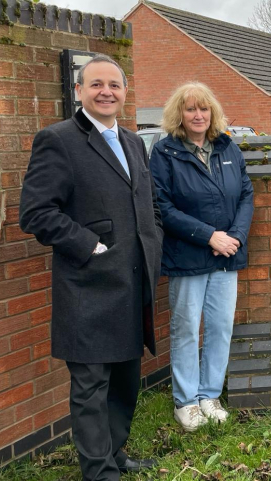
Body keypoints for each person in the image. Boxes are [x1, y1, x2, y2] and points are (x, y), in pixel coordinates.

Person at [20, 54, 163, 480]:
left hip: (131, 283)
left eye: (114, 85)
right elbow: (36, 212)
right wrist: (91, 247)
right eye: (96, 84)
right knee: (90, 387)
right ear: (80, 91)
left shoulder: (134, 141)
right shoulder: (58, 139)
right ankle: (99, 472)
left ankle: (116, 455)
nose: (106, 92)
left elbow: (147, 204)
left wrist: (151, 241)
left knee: (124, 381)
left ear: (124, 92)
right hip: (88, 286)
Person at [149, 82, 254, 432]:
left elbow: (246, 195)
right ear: (179, 114)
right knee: (185, 330)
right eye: (191, 109)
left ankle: (209, 395)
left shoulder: (228, 147)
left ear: (212, 113)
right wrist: (210, 236)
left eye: (204, 108)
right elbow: (162, 206)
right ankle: (187, 401)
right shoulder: (164, 153)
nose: (198, 115)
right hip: (187, 256)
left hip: (227, 256)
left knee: (221, 328)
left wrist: (234, 238)